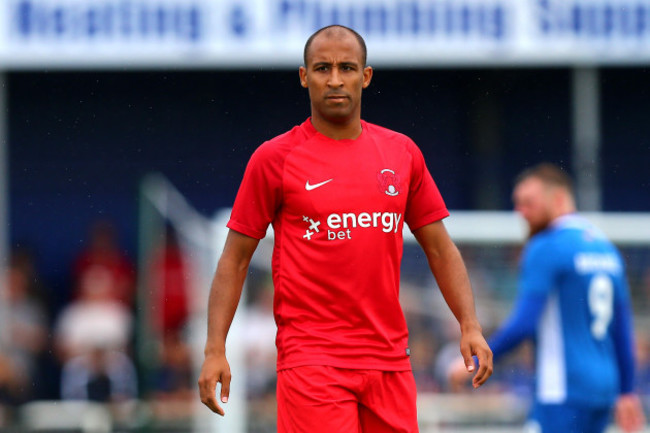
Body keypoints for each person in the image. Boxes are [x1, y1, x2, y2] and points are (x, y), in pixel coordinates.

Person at [198, 24, 493, 432]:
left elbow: (441, 249)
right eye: (322, 68)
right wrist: (215, 349)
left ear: (366, 76)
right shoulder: (274, 159)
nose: (335, 80)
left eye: (347, 68)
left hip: (390, 359)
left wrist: (469, 325)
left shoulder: (401, 153)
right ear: (304, 77)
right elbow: (234, 260)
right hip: (313, 361)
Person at [449, 163, 647, 433]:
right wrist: (626, 391)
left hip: (562, 391)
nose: (520, 212)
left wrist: (478, 360)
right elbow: (622, 329)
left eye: (529, 203)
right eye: (517, 204)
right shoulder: (606, 249)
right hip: (603, 390)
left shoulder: (546, 246)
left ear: (558, 199)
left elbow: (524, 323)